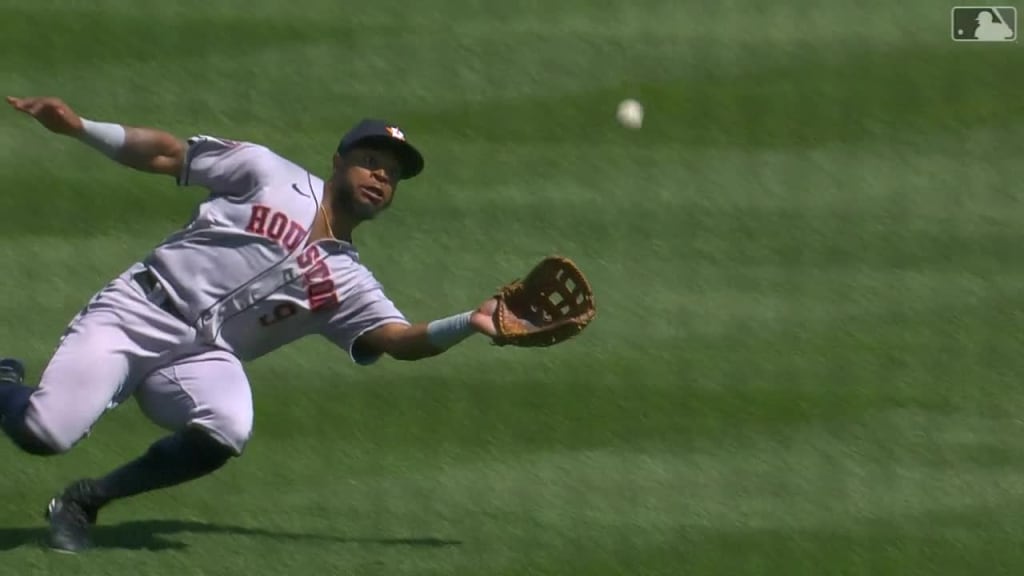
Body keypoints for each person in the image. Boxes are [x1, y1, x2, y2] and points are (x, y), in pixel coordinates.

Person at [2, 95, 506, 553]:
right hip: (138, 310)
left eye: (392, 175)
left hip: (203, 355)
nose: (380, 178)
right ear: (338, 162)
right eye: (371, 162)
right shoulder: (267, 172)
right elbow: (169, 154)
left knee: (229, 426)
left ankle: (85, 501)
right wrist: (80, 128)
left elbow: (399, 341)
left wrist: (471, 321)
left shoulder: (350, 281)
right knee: (44, 434)